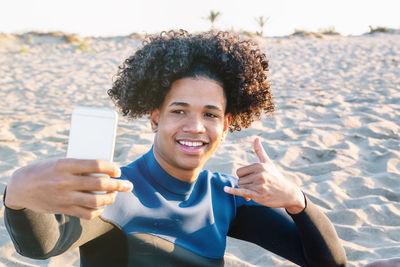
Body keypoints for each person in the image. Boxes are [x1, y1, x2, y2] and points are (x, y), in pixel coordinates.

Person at [4, 30, 347, 266]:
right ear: (155, 118)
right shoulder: (116, 191)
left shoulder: (225, 195)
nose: (195, 127)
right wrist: (18, 193)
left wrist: (296, 201)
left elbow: (329, 262)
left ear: (226, 125)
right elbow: (42, 245)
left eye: (210, 114)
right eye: (179, 111)